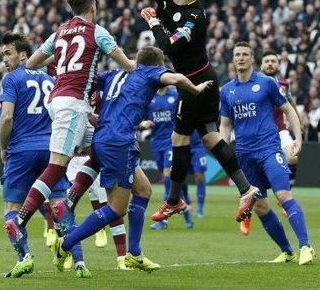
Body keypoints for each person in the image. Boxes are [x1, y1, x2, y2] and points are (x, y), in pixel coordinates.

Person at [106, 0, 259, 223]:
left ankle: (174, 200)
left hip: (197, 82)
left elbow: (171, 48)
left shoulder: (195, 16)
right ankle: (246, 188)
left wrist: (153, 24)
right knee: (211, 137)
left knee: (179, 139)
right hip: (196, 81)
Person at [4, 0, 136, 278]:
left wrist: (61, 62)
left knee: (98, 150)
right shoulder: (97, 32)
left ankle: (69, 204)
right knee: (56, 165)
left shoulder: (59, 33)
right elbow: (127, 65)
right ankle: (21, 219)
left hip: (62, 102)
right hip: (73, 103)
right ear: (93, 5)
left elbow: (32, 62)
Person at [50, 46, 213, 272]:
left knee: (144, 190)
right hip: (118, 142)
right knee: (116, 209)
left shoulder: (116, 74)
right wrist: (196, 89)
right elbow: (175, 78)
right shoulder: (150, 72)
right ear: (157, 65)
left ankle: (133, 253)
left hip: (104, 138)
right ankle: (65, 244)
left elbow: (86, 81)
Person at [219, 42, 315, 265]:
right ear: (233, 60)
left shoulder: (267, 83)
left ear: (252, 59)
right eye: (237, 55)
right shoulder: (226, 91)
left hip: (269, 149)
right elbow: (225, 124)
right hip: (244, 154)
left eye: (245, 55)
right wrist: (224, 150)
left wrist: (298, 138)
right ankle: (287, 250)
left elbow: (288, 110)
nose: (241, 58)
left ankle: (306, 246)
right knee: (260, 205)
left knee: (283, 196)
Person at [0, 32, 71, 278]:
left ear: (23, 55)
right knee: (59, 203)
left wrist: (2, 147)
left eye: (8, 53)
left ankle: (24, 256)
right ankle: (73, 255)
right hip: (50, 148)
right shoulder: (50, 79)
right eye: (2, 55)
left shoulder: (11, 80)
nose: (4, 59)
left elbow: (7, 117)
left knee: (12, 208)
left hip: (21, 149)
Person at [240, 50, 302, 236]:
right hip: (254, 133)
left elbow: (289, 104)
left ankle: (284, 194)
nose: (269, 64)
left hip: (279, 130)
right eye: (266, 61)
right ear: (261, 64)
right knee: (248, 177)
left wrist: (299, 125)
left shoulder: (283, 84)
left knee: (292, 157)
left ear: (278, 65)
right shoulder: (253, 81)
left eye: (273, 61)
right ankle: (246, 212)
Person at [139, 86, 194, 230]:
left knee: (168, 176)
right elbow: (142, 117)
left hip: (172, 141)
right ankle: (186, 210)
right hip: (156, 143)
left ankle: (163, 220)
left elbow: (185, 115)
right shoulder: (150, 97)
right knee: (169, 180)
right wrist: (145, 123)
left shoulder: (175, 96)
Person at [66, 153, 129, 270]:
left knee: (113, 207)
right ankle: (67, 252)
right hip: (70, 162)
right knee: (65, 209)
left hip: (94, 159)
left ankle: (122, 257)